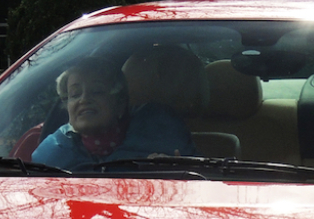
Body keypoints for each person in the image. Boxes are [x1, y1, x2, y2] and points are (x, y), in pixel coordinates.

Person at [32, 57, 197, 170]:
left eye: (97, 91)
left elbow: (203, 183)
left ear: (120, 103)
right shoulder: (50, 155)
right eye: (75, 94)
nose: (84, 100)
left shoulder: (163, 135)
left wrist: (176, 173)